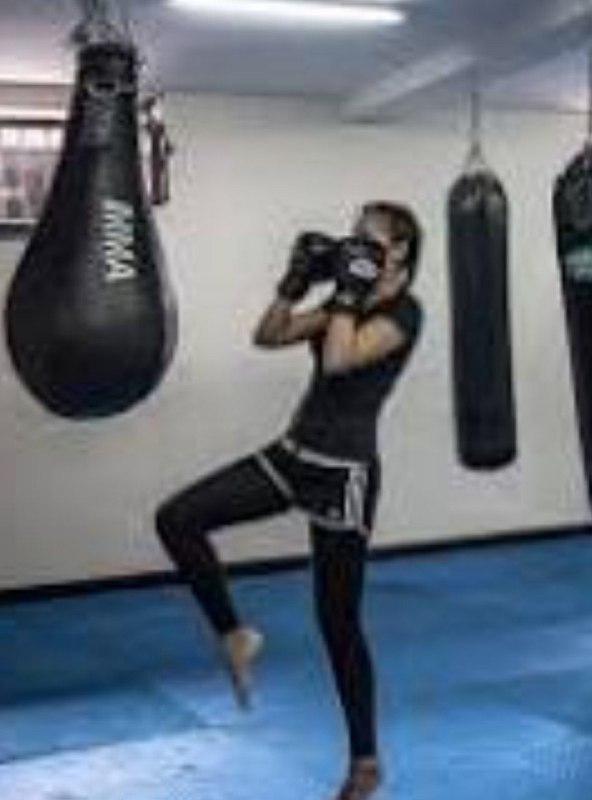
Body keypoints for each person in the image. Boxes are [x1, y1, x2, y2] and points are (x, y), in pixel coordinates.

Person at [155, 201, 424, 800]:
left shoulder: (405, 313)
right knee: (177, 518)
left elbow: (339, 359)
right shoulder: (346, 298)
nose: (356, 244)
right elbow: (269, 335)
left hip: (343, 476)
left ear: (400, 250)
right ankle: (233, 635)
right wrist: (294, 283)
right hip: (293, 456)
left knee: (338, 622)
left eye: (370, 238)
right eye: (354, 235)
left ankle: (365, 762)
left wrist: (347, 296)